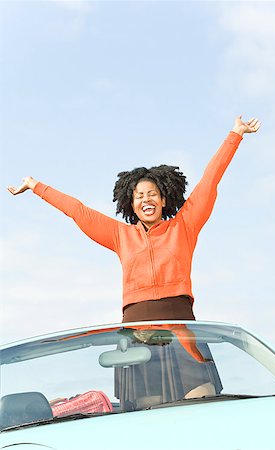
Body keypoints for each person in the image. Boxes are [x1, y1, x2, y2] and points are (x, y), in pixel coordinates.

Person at [8, 115, 261, 406]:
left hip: (181, 328)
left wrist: (235, 135)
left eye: (152, 193)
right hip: (137, 334)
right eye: (139, 195)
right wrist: (36, 185)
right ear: (132, 204)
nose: (146, 199)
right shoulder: (120, 235)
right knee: (147, 412)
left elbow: (209, 181)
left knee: (201, 403)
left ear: (164, 200)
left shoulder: (184, 226)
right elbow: (78, 211)